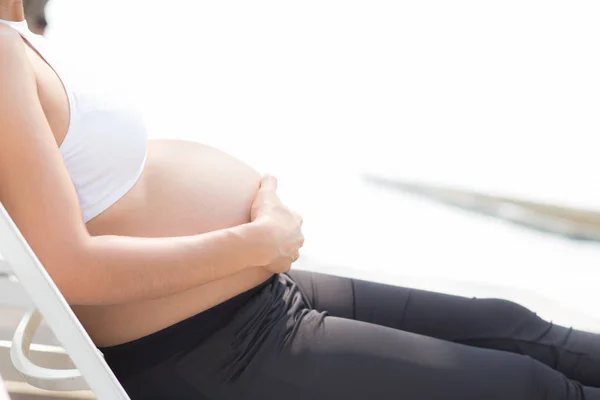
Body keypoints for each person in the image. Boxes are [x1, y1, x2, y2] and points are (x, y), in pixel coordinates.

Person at [0, 2, 599, 399]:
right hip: (215, 346)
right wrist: (254, 241)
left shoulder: (18, 41)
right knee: (528, 387)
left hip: (246, 302)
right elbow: (68, 269)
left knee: (509, 325)